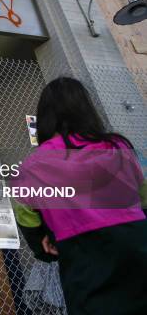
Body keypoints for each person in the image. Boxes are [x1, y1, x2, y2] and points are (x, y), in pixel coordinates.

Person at [13, 77, 147, 315]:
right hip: (137, 239)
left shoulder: (35, 163)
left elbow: (25, 213)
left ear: (45, 116)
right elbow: (143, 193)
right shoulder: (117, 145)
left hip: (83, 252)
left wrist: (41, 243)